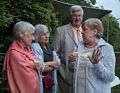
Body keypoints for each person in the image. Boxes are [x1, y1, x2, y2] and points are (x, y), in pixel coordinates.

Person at [73, 18, 116, 93]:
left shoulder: (107, 48)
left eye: (85, 29)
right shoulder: (79, 46)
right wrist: (72, 61)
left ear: (95, 31)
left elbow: (110, 77)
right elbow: (75, 69)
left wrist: (97, 64)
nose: (81, 32)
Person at [53, 5, 84, 93]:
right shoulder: (60, 31)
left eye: (79, 15)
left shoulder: (86, 30)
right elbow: (55, 53)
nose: (77, 18)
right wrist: (61, 68)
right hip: (65, 75)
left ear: (82, 16)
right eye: (74, 15)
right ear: (70, 16)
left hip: (83, 75)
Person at [3, 21, 40, 93]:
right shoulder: (14, 53)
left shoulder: (27, 49)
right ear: (21, 34)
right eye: (32, 34)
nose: (33, 38)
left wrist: (34, 64)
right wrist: (34, 64)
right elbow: (27, 78)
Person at [31, 24, 61, 93]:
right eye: (43, 34)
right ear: (37, 36)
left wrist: (47, 64)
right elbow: (41, 67)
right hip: (41, 81)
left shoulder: (50, 46)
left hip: (51, 80)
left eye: (47, 33)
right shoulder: (35, 46)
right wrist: (53, 64)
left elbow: (58, 62)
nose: (47, 36)